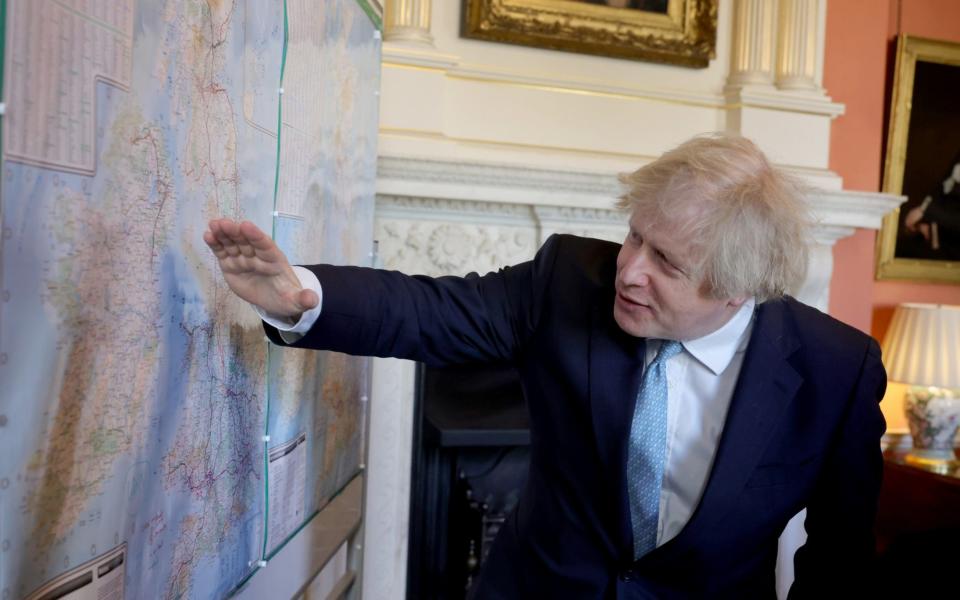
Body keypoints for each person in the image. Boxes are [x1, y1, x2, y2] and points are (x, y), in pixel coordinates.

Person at [205, 134, 886, 598]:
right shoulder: (567, 280)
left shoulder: (835, 371)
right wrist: (300, 296)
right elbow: (429, 311)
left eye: (667, 263)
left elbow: (839, 560)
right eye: (634, 237)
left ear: (738, 290)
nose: (630, 270)